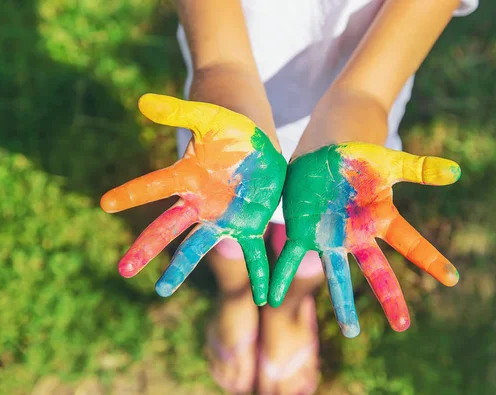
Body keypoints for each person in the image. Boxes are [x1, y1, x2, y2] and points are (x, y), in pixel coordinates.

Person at [171, 1, 479, 394]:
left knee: (318, 236)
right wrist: (221, 76)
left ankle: (288, 307)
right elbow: (219, 56)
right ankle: (235, 293)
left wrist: (360, 104)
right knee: (225, 215)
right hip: (224, 100)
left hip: (364, 85)